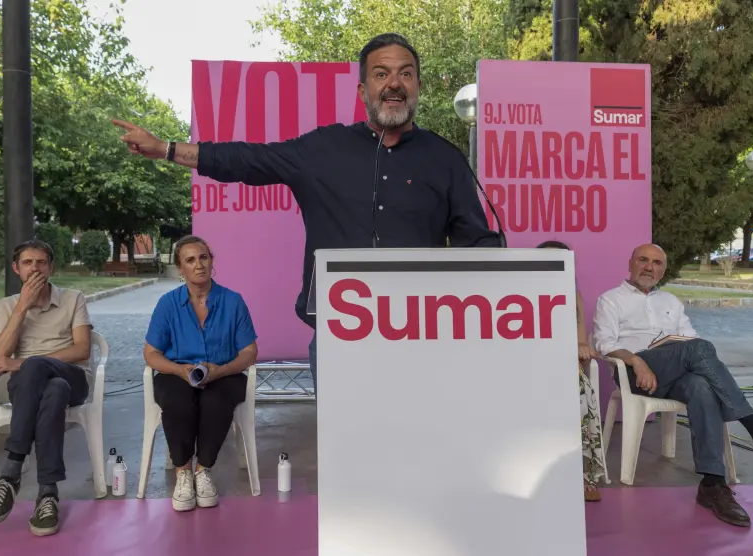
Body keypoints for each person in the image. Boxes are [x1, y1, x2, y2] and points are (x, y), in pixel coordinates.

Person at [113, 32, 503, 391]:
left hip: (423, 338)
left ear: (417, 85)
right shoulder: (322, 149)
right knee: (347, 455)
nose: (394, 83)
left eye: (405, 74)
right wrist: (166, 148)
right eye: (381, 74)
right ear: (363, 89)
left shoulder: (446, 159)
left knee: (421, 449)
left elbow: (479, 242)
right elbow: (248, 159)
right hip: (341, 338)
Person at [593, 243, 753, 527]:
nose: (649, 267)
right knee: (700, 349)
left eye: (657, 263)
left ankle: (712, 484)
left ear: (663, 269)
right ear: (630, 262)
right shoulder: (610, 300)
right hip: (633, 374)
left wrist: (681, 352)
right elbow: (605, 344)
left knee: (701, 385)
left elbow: (690, 340)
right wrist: (638, 362)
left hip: (673, 375)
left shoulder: (671, 302)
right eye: (643, 260)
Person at [0, 240, 93, 537]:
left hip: (73, 379)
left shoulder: (73, 298)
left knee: (38, 367)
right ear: (17, 269)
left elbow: (81, 350)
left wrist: (27, 362)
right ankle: (48, 493)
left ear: (51, 268)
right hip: (34, 388)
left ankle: (12, 469)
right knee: (51, 391)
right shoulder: (7, 306)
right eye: (27, 263)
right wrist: (21, 308)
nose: (35, 268)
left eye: (41, 262)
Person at [143, 235, 258, 511]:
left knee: (215, 402)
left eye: (203, 258)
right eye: (190, 260)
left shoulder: (233, 301)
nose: (199, 265)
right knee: (178, 401)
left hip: (224, 373)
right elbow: (151, 354)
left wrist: (221, 371)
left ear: (211, 261)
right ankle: (183, 472)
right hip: (177, 372)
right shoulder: (167, 304)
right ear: (180, 268)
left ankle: (203, 470)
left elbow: (249, 352)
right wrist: (179, 371)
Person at [537, 240, 604, 502]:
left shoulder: (573, 295)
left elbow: (581, 340)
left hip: (563, 365)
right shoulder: (519, 290)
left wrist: (581, 348)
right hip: (530, 365)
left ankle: (581, 474)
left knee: (577, 387)